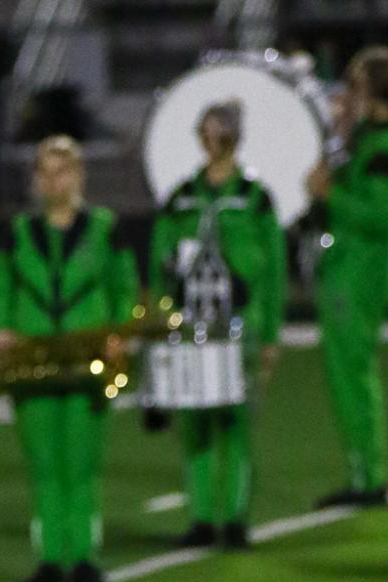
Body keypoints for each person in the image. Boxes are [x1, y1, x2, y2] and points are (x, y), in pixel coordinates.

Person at [0, 136, 139, 582]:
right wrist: (3, 330)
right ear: (35, 179)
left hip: (87, 356)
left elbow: (125, 288)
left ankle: (84, 558)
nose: (55, 181)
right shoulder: (17, 231)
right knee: (44, 465)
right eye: (46, 172)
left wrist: (119, 336)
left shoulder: (106, 228)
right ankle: (52, 558)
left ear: (79, 175)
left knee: (82, 463)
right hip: (33, 360)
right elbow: (1, 288)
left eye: (63, 171)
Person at [149, 100, 285, 549]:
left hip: (242, 325)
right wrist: (160, 316)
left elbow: (274, 272)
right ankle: (202, 518)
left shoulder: (255, 197)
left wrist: (271, 335)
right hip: (192, 325)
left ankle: (236, 517)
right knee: (195, 422)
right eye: (208, 129)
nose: (214, 137)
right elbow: (159, 260)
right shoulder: (181, 197)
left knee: (236, 422)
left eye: (222, 129)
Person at [306, 47, 388, 506]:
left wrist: (330, 193)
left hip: (359, 271)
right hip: (360, 268)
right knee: (355, 374)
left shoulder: (386, 145)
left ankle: (367, 478)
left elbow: (382, 216)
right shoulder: (387, 137)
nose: (348, 94)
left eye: (356, 85)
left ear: (376, 90)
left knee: (351, 376)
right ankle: (365, 474)